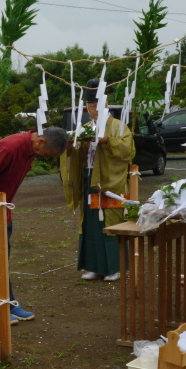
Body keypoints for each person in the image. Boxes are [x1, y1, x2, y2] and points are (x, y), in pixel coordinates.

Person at [0, 127, 67, 325]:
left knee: (3, 257)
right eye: (46, 155)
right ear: (40, 142)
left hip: (3, 209)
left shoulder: (32, 149)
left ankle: (9, 303)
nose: (43, 158)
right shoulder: (10, 147)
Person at [60, 78, 135, 282]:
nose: (95, 110)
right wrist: (73, 145)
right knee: (91, 224)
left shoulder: (119, 127)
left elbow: (128, 151)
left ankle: (113, 267)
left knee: (111, 222)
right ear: (86, 107)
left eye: (98, 106)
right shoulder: (85, 127)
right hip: (89, 179)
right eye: (91, 106)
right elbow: (77, 154)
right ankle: (93, 266)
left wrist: (106, 140)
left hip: (111, 182)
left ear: (107, 105)